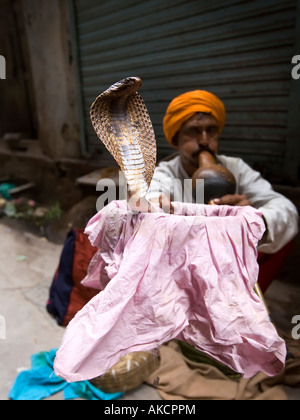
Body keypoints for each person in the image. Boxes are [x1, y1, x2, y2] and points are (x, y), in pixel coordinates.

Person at [146, 90, 299, 292]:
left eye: (211, 131)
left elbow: (286, 209)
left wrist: (251, 222)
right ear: (176, 139)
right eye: (193, 131)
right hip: (185, 262)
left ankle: (242, 295)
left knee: (280, 238)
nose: (204, 140)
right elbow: (150, 202)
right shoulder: (164, 172)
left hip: (231, 262)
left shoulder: (235, 167)